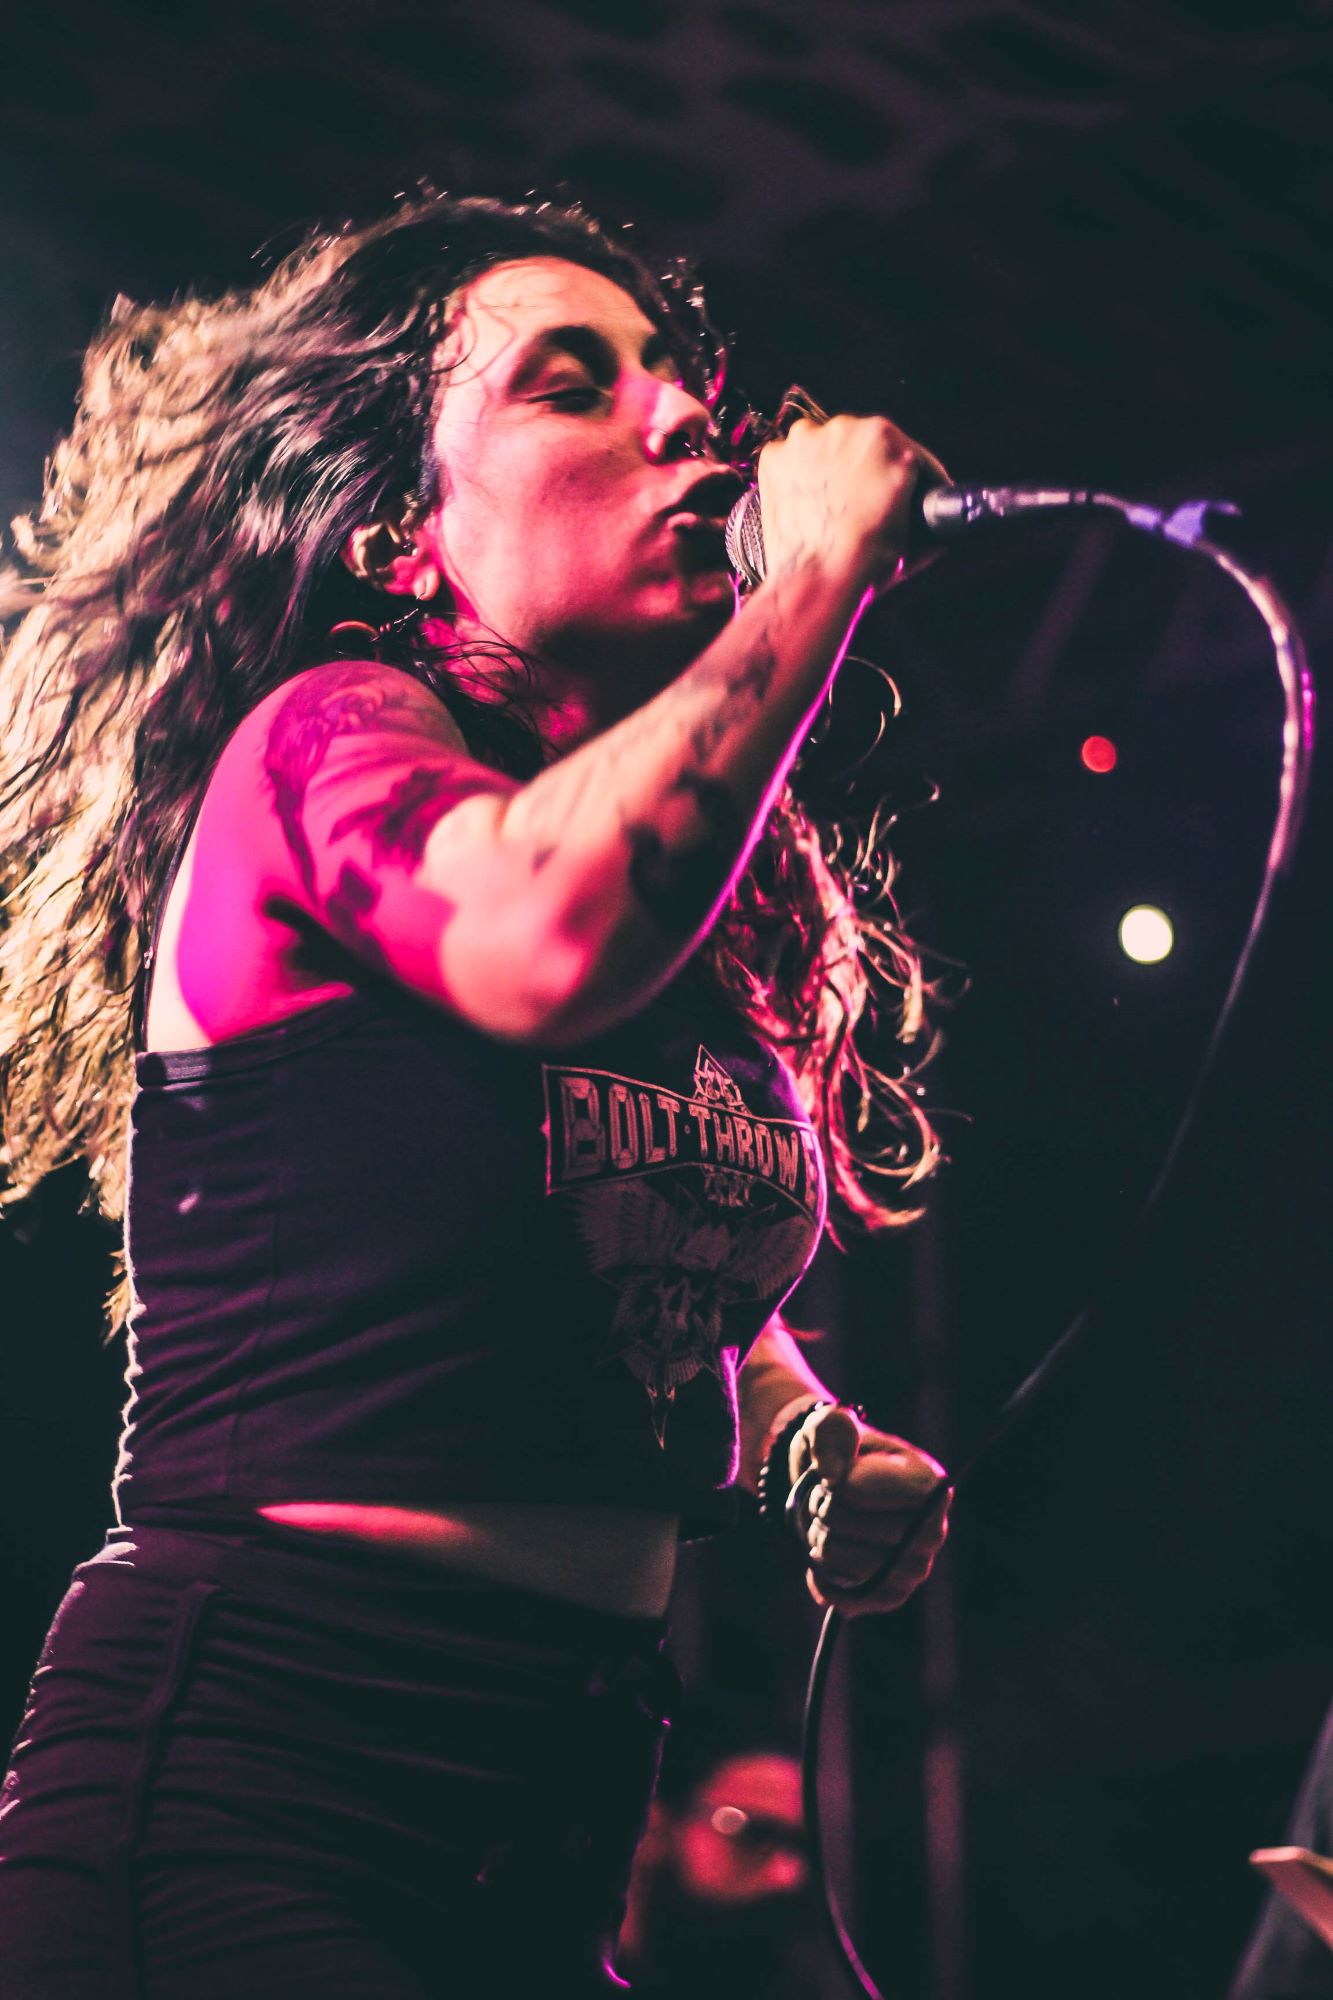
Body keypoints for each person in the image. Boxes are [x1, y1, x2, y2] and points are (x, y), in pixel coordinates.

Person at [0, 192, 951, 1997]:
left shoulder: (687, 887)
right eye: (570, 384)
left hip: (550, 1816)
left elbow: (615, 1223)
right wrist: (814, 579)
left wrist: (799, 1427)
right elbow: (537, 932)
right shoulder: (320, 741)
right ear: (397, 532)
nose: (683, 421)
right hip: (255, 1790)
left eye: (680, 380)